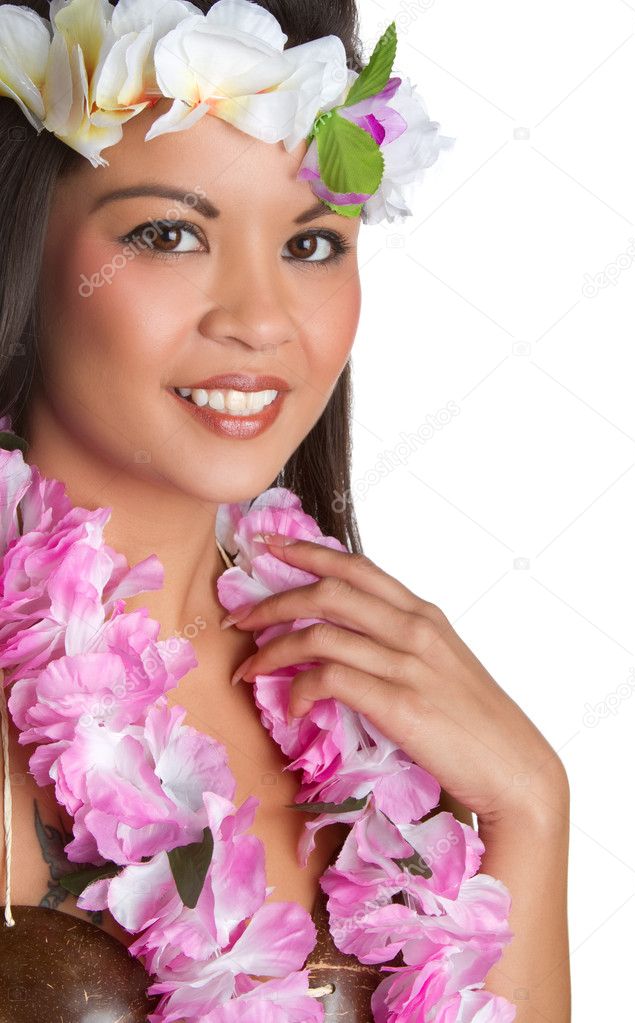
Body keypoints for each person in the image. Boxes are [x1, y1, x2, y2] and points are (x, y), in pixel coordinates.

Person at [0, 0, 571, 1020]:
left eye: (310, 244)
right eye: (169, 233)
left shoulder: (378, 695)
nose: (262, 321)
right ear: (24, 247)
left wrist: (527, 808)